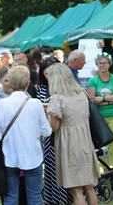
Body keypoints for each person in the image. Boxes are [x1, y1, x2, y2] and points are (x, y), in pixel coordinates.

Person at [0, 65, 52, 204]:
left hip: (10, 156)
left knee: (10, 197)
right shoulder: (36, 104)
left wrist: (5, 140)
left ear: (11, 83)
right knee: (34, 197)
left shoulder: (3, 103)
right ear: (28, 82)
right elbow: (47, 131)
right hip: (33, 156)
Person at [46, 63, 99, 205]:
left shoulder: (57, 99)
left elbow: (53, 127)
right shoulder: (82, 93)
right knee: (89, 188)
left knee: (76, 190)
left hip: (69, 146)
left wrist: (46, 114)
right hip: (86, 143)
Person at [37, 57, 72, 205]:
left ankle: (68, 199)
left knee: (66, 170)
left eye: (52, 73)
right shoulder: (42, 89)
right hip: (49, 136)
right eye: (46, 74)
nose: (50, 77)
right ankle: (54, 200)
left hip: (66, 135)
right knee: (52, 170)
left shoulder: (67, 89)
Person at [87, 52, 113, 171]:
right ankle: (108, 169)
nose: (102, 65)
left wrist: (103, 99)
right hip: (99, 118)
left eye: (104, 63)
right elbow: (93, 100)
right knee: (103, 144)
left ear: (109, 64)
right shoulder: (93, 81)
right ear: (96, 64)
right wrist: (112, 99)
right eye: (100, 63)